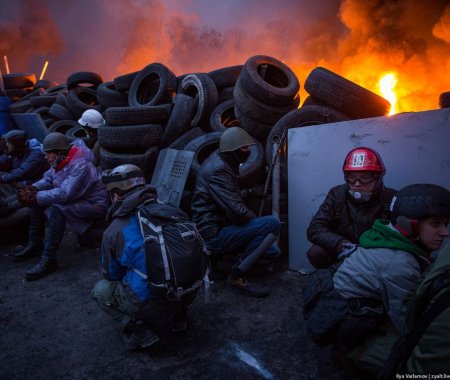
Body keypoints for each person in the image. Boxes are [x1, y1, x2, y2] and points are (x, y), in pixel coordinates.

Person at [303, 183, 450, 376]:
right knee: (409, 357)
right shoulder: (399, 264)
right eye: (435, 224)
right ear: (409, 224)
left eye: (446, 224)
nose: (445, 232)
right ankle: (350, 354)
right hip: (349, 322)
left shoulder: (388, 234)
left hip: (349, 302)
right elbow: (407, 322)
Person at [92, 164, 196, 350]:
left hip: (152, 303)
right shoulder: (172, 210)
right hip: (189, 292)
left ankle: (139, 329)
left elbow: (111, 274)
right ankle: (179, 316)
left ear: (116, 195)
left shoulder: (114, 231)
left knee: (101, 290)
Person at [191, 127, 281, 298]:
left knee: (272, 252)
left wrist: (249, 193)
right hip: (212, 234)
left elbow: (224, 196)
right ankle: (236, 276)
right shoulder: (219, 170)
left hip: (217, 227)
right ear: (233, 151)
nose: (247, 152)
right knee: (272, 224)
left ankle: (223, 263)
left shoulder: (220, 161)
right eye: (244, 149)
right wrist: (257, 225)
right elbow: (238, 213)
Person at [13, 132, 109, 281]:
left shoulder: (81, 166)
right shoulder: (62, 161)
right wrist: (33, 189)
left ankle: (49, 259)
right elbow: (48, 179)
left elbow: (65, 194)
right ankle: (35, 243)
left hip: (95, 205)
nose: (45, 157)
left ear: (59, 152)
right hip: (79, 200)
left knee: (58, 207)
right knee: (38, 201)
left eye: (48, 153)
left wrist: (36, 196)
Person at [306, 146, 397, 269]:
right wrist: (340, 244)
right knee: (316, 252)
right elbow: (315, 228)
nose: (357, 184)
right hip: (344, 251)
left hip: (377, 255)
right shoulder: (337, 194)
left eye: (365, 177)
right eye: (352, 177)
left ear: (378, 178)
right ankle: (334, 282)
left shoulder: (391, 198)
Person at [0, 130, 48, 243]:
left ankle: (28, 238)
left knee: (28, 210)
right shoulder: (17, 152)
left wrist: (3, 179)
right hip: (25, 188)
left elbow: (23, 171)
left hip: (38, 186)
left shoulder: (35, 154)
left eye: (8, 144)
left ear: (17, 144)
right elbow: (4, 161)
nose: (6, 146)